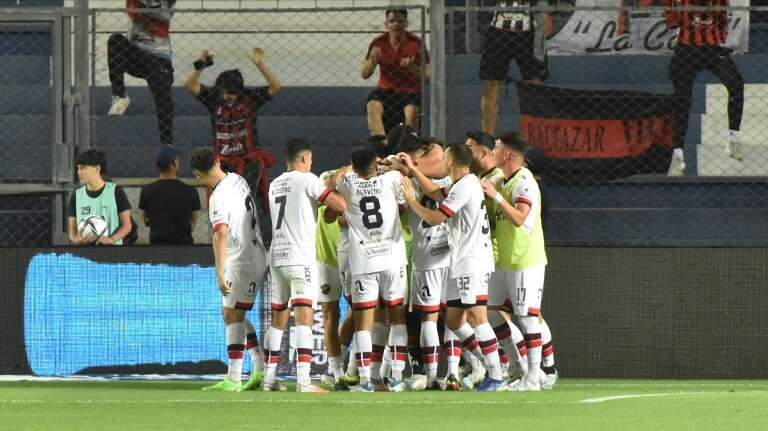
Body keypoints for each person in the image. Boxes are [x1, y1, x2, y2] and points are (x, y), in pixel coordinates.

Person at [400, 143, 506, 392]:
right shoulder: (461, 183)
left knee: (478, 318)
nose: (442, 161)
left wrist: (412, 200)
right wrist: (414, 171)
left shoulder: (466, 185)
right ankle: (491, 363)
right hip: (462, 260)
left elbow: (436, 216)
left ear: (453, 162)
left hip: (472, 260)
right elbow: (436, 193)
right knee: (454, 320)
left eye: (445, 157)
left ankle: (497, 373)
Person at [262, 138, 346, 393]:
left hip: (277, 256)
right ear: (304, 158)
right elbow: (340, 205)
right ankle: (304, 381)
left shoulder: (275, 184)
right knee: (304, 316)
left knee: (278, 317)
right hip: (300, 257)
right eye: (310, 160)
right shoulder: (308, 179)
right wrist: (336, 185)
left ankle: (268, 380)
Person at [190, 148, 268, 392]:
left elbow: (221, 234)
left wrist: (219, 271)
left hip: (241, 260)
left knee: (231, 315)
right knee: (236, 313)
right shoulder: (237, 179)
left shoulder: (217, 197)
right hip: (256, 253)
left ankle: (234, 378)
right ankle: (260, 368)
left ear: (197, 175)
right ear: (217, 161)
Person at [185, 47, 281, 243]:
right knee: (222, 203)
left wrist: (259, 64)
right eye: (225, 93)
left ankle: (248, 236)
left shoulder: (250, 99)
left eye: (232, 94)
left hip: (247, 161)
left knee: (246, 200)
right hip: (223, 163)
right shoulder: (214, 100)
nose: (228, 97)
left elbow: (275, 87)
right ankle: (225, 238)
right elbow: (190, 85)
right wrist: (200, 65)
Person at [335, 143, 409, 392]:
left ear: (354, 166)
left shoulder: (348, 183)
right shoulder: (392, 179)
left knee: (363, 322)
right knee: (397, 318)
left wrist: (351, 169)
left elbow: (333, 180)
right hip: (392, 259)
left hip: (364, 262)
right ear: (374, 163)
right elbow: (404, 176)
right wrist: (385, 163)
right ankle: (396, 376)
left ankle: (366, 380)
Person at [479, 132, 551, 391]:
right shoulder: (502, 179)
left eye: (496, 148)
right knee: (490, 311)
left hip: (525, 260)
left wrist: (496, 196)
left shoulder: (525, 181)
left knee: (528, 318)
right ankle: (518, 366)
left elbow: (520, 218)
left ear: (507, 154)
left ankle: (534, 377)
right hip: (504, 260)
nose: (492, 152)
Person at [664, 0, 744, 176]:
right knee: (682, 99)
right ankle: (677, 155)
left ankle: (733, 139)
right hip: (687, 49)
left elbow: (722, 21)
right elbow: (672, 22)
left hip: (712, 49)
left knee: (736, 84)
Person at [107, 0, 176, 146]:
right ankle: (120, 96)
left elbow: (163, 16)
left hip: (158, 57)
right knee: (115, 40)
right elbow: (133, 12)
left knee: (163, 99)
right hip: (136, 56)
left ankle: (167, 144)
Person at [480, 1, 548, 134]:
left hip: (529, 33)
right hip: (498, 31)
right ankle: (487, 136)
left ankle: (533, 136)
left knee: (533, 84)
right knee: (491, 83)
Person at [362, 8, 430, 136]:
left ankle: (409, 141)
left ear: (406, 23)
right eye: (392, 21)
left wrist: (411, 67)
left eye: (400, 21)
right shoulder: (378, 42)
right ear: (386, 24)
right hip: (385, 90)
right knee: (372, 105)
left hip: (410, 91)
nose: (395, 25)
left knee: (411, 110)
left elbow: (427, 76)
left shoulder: (416, 43)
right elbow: (364, 74)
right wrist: (372, 60)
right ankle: (380, 141)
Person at [67, 149, 132, 246]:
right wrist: (76, 240)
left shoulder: (115, 191)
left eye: (83, 168)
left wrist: (111, 239)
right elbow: (72, 232)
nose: (78, 172)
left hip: (112, 251)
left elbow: (127, 225)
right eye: (78, 168)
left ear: (97, 169)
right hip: (85, 252)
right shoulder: (77, 195)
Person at [138, 146, 201, 244]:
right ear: (174, 164)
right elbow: (193, 223)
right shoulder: (190, 190)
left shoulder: (147, 190)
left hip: (157, 245)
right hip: (185, 246)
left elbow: (145, 220)